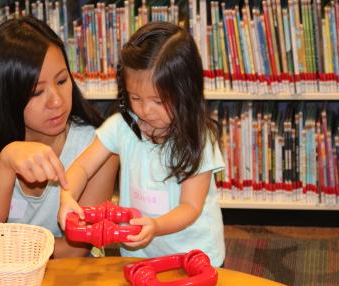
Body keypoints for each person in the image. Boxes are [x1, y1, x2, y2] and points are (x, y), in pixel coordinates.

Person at [0, 16, 118, 258]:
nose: (57, 101)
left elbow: (76, 248)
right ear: (4, 95)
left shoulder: (100, 147)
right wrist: (6, 162)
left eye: (62, 80)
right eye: (36, 92)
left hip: (69, 280)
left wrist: (12, 251)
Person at [59, 22, 225, 266]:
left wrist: (156, 226)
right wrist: (67, 197)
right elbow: (82, 167)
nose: (146, 110)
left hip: (194, 255)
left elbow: (190, 206)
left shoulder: (198, 137)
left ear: (185, 93)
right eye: (135, 98)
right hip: (140, 254)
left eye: (159, 100)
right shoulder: (122, 127)